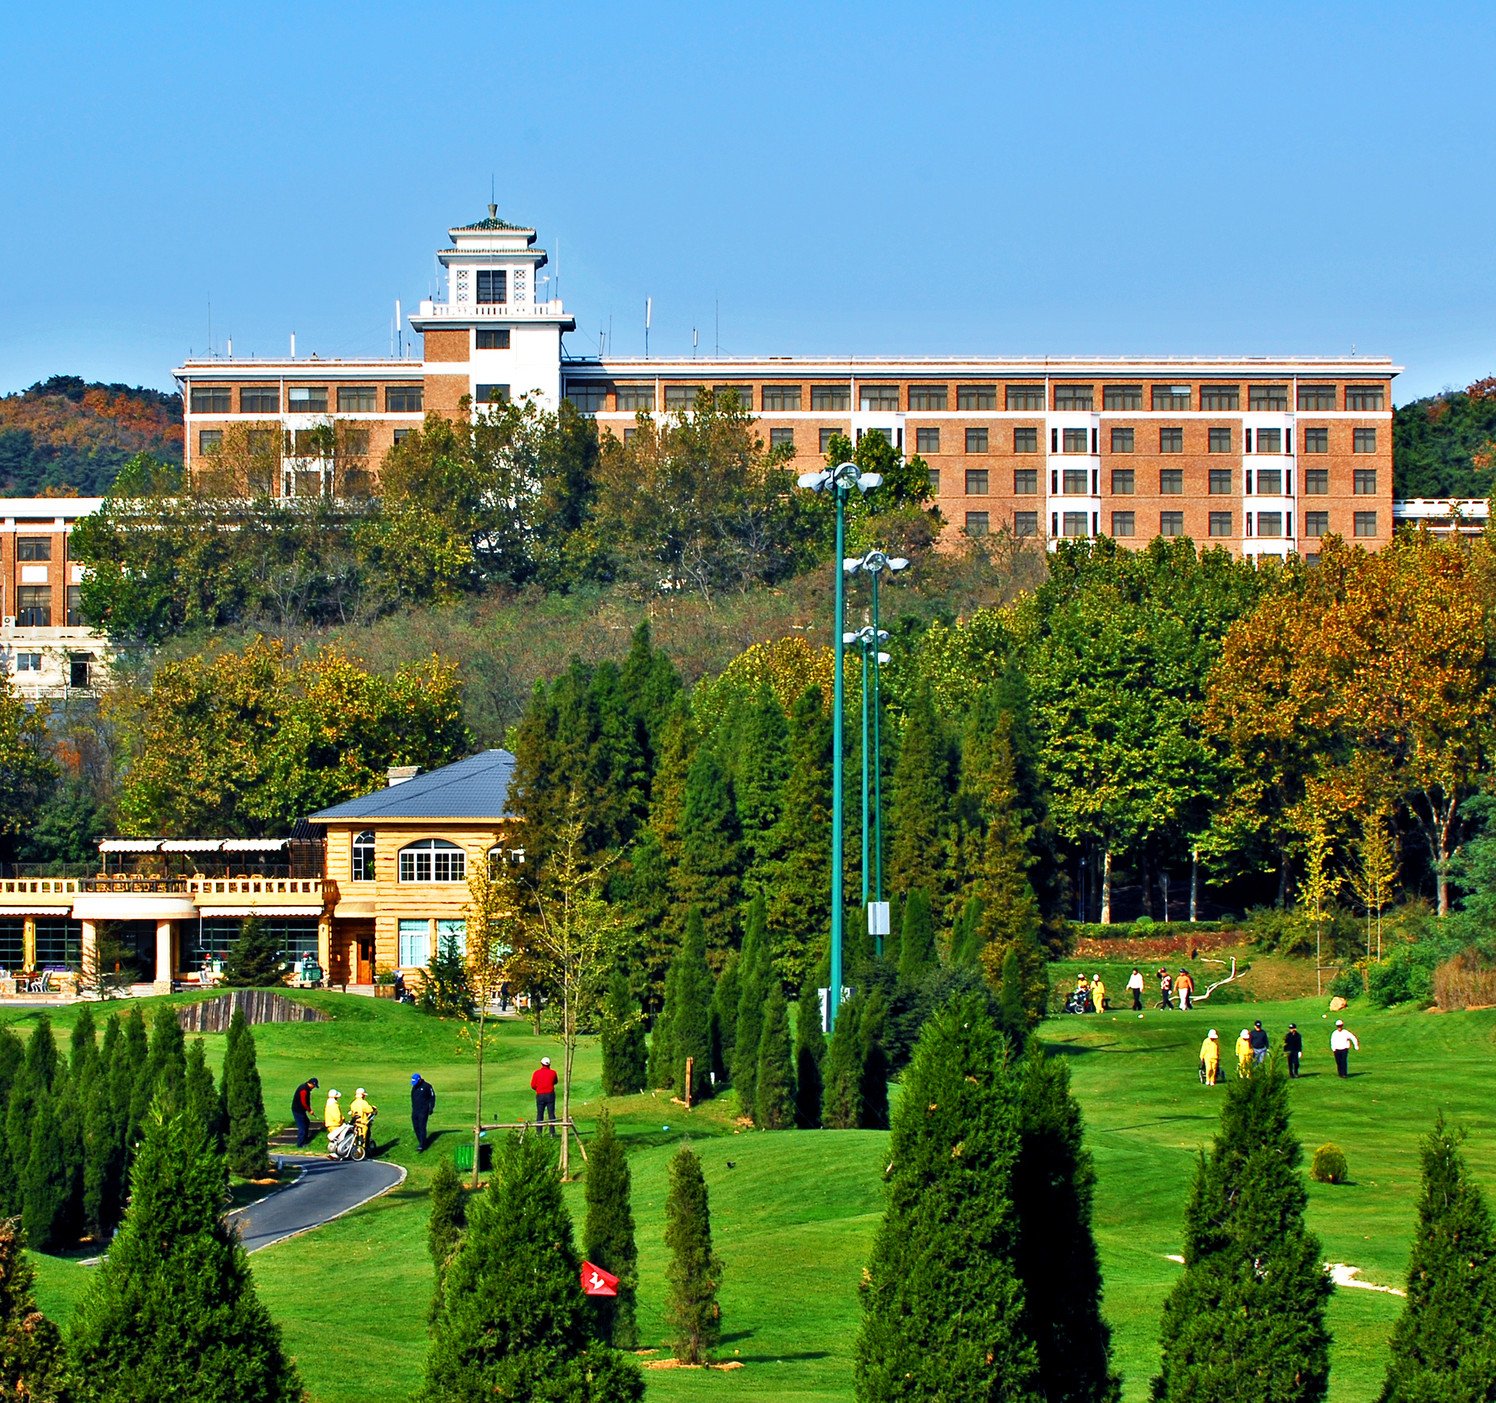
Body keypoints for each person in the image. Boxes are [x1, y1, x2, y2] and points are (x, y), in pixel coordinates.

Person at [531, 1056, 559, 1135]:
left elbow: (533, 1085)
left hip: (540, 1095)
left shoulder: (536, 1073)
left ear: (541, 1064)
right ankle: (552, 1133)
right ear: (549, 1064)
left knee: (540, 1114)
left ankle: (539, 1133)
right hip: (550, 1095)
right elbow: (555, 1081)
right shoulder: (553, 1072)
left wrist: (539, 1089)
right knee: (551, 1114)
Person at [410, 1072, 436, 1152]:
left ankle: (422, 1144)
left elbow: (432, 1097)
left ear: (420, 1080)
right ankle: (421, 1141)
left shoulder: (427, 1086)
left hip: (423, 1110)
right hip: (415, 1110)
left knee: (422, 1126)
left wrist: (431, 1107)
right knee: (416, 1127)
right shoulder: (414, 1087)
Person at [290, 1076, 319, 1148]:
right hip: (298, 1110)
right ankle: (300, 1144)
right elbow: (304, 1102)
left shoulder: (306, 1088)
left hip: (300, 1110)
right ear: (311, 1084)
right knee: (302, 1127)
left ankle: (305, 1140)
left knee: (306, 1122)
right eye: (314, 1086)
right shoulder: (304, 1090)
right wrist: (309, 1110)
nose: (313, 1088)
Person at [349, 1087, 377, 1154]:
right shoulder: (363, 1103)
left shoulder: (353, 1103)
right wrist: (373, 1108)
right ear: (362, 1095)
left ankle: (355, 1151)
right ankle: (361, 1153)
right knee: (363, 1139)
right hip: (363, 1123)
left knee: (356, 1139)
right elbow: (369, 1110)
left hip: (355, 1124)